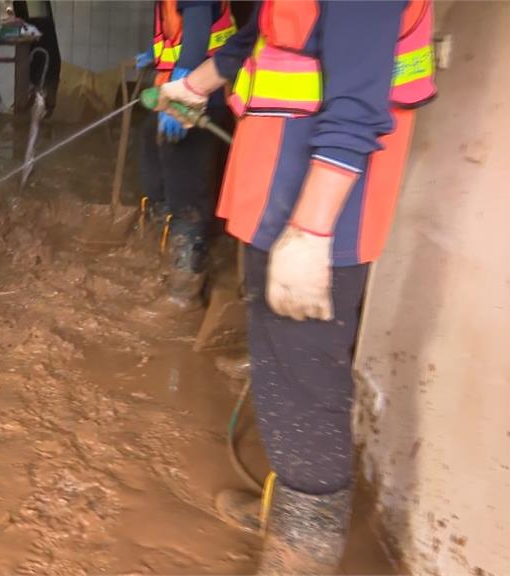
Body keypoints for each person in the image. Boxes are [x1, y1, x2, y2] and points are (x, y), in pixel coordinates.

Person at [157, 0, 435, 572]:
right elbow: (263, 36)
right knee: (278, 360)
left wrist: (311, 230)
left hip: (320, 205)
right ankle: (291, 517)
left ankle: (301, 553)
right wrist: (198, 83)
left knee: (304, 374)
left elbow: (358, 105)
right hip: (275, 184)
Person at [134, 0, 237, 315]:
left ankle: (184, 293)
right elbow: (178, 36)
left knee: (185, 188)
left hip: (198, 97)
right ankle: (159, 255)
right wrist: (156, 57)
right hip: (177, 93)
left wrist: (184, 84)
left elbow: (196, 35)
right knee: (152, 153)